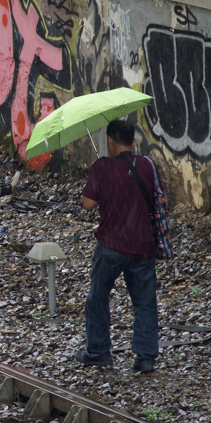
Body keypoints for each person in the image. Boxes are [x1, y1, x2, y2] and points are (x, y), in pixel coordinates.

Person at [75, 119, 159, 373]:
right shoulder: (146, 165)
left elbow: (87, 204)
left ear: (109, 141)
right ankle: (145, 358)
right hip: (143, 246)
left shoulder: (101, 167)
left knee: (97, 298)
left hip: (110, 246)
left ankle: (98, 351)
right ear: (133, 142)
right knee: (144, 302)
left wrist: (96, 178)